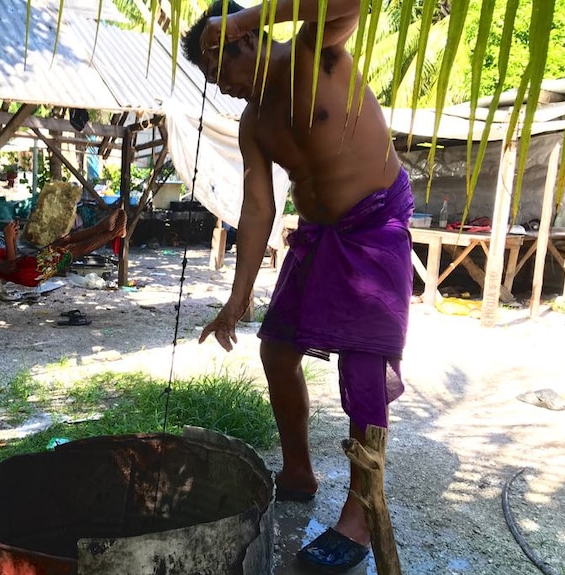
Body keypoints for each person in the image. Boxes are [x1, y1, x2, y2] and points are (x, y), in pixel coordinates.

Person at [183, 1, 414, 573]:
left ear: (237, 44)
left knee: (363, 370)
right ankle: (298, 469)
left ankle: (359, 515)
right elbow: (259, 205)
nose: (224, 90)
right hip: (317, 235)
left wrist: (238, 19)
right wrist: (237, 299)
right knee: (276, 349)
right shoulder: (252, 121)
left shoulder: (318, 51)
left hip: (373, 228)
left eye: (219, 74)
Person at [0, 208, 126, 288]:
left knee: (62, 241)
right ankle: (112, 233)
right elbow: (11, 268)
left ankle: (102, 228)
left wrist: (13, 239)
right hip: (31, 274)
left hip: (29, 264)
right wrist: (8, 239)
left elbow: (13, 258)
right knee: (71, 250)